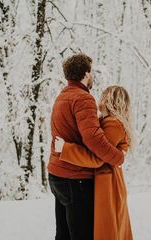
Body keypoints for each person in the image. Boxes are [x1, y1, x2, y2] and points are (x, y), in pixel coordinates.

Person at [48, 53, 125, 240]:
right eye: (92, 72)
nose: (93, 76)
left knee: (63, 234)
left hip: (57, 176)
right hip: (76, 179)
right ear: (86, 73)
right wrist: (118, 157)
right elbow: (93, 138)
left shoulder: (62, 96)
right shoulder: (83, 98)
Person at [55, 86, 134, 240]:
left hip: (108, 184)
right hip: (107, 182)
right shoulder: (109, 122)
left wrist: (66, 149)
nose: (100, 100)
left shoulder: (113, 124)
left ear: (111, 101)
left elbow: (96, 157)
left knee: (107, 231)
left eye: (104, 96)